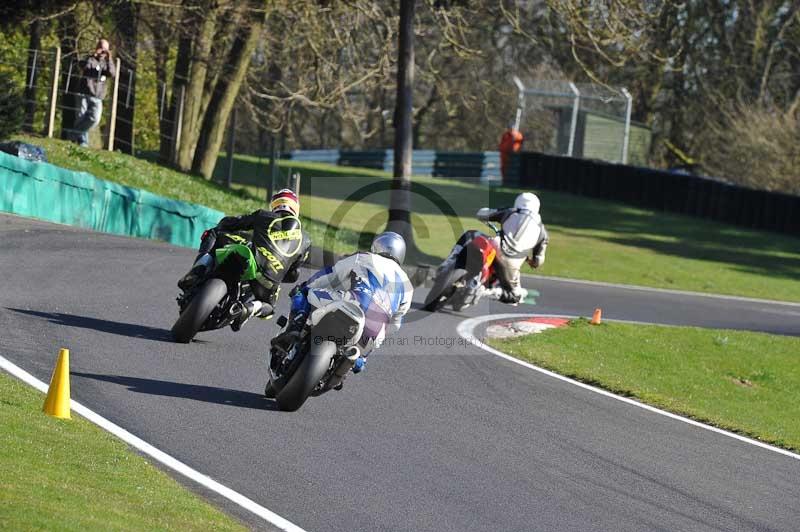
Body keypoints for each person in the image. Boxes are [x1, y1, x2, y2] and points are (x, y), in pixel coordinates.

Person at [271, 231, 413, 386]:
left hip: (352, 303)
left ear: (377, 246)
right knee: (361, 356)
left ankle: (295, 328)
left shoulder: (364, 257)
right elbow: (395, 325)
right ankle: (351, 363)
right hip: (374, 329)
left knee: (303, 293)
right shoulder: (408, 287)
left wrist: (305, 286)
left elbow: (331, 274)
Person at [178, 189, 311, 330]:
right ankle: (249, 308)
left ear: (274, 205)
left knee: (213, 233)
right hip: (270, 280)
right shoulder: (307, 241)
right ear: (296, 209)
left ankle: (198, 270)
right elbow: (293, 275)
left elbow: (230, 223)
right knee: (270, 308)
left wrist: (224, 225)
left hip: (253, 259)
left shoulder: (263, 215)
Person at [448, 192, 547, 305]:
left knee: (470, 234)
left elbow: (482, 214)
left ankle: (449, 261)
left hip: (496, 247)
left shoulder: (510, 212)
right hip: (512, 265)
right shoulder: (542, 230)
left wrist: (487, 214)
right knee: (516, 297)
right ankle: (490, 292)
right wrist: (531, 261)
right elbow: (538, 261)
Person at [72, 39, 116, 147]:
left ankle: (72, 135)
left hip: (97, 96)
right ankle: (83, 143)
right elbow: (83, 65)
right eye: (101, 48)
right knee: (81, 117)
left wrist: (109, 58)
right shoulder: (90, 58)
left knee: (94, 119)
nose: (103, 52)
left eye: (105, 49)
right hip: (83, 92)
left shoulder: (107, 63)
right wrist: (94, 54)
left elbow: (112, 73)